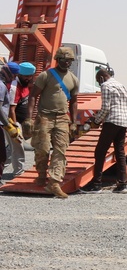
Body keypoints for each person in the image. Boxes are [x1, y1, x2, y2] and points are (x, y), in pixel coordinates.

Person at [27, 47, 81, 199]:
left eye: (69, 60)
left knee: (60, 150)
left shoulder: (73, 79)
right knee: (42, 148)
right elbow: (33, 96)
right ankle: (41, 174)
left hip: (63, 118)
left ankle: (54, 182)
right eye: (63, 60)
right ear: (57, 59)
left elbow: (74, 102)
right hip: (45, 117)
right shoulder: (46, 75)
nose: (66, 63)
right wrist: (29, 118)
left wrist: (74, 122)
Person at [79, 66, 127, 194]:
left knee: (100, 151)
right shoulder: (121, 85)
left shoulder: (105, 86)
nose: (99, 83)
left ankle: (96, 184)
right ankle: (122, 184)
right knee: (120, 151)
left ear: (101, 78)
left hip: (112, 120)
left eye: (98, 80)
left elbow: (106, 107)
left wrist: (96, 121)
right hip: (124, 121)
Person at [1, 60, 27, 179]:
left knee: (8, 150)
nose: (14, 77)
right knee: (17, 145)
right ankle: (18, 172)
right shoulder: (6, 86)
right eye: (14, 75)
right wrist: (11, 125)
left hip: (6, 122)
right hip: (6, 122)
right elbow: (8, 108)